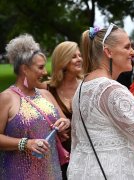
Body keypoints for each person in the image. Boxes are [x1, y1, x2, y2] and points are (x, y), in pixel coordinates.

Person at [67, 24, 134, 180]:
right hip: (111, 173)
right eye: (127, 47)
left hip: (84, 171)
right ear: (108, 52)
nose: (133, 52)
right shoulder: (110, 89)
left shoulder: (83, 86)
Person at [0, 34, 70, 179]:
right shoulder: (7, 98)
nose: (45, 72)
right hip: (19, 173)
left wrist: (64, 123)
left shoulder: (46, 94)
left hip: (51, 172)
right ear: (24, 69)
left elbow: (65, 120)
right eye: (41, 67)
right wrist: (26, 143)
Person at [47, 41, 83, 179]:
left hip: (84, 153)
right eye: (74, 56)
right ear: (62, 60)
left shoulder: (86, 85)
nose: (79, 59)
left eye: (80, 55)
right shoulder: (47, 89)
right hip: (58, 156)